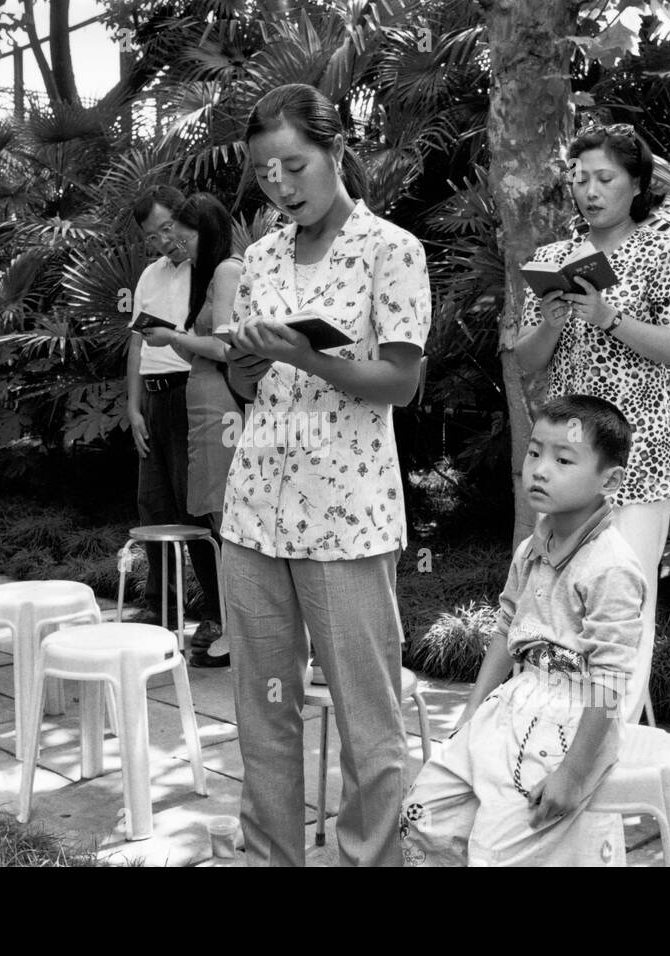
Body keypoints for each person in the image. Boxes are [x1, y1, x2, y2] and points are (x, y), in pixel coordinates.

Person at [223, 83, 430, 866]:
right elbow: (253, 387)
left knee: (366, 717)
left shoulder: (392, 250)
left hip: (347, 515)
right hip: (253, 515)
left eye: (294, 166)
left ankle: (372, 858)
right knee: (263, 709)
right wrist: (243, 363)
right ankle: (267, 856)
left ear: (337, 150)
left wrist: (303, 355)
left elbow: (400, 383)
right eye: (264, 173)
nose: (279, 185)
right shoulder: (262, 257)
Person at [400, 395, 645, 866]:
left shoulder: (611, 567)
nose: (540, 469)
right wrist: (470, 713)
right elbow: (506, 626)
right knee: (423, 814)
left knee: (499, 851)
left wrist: (573, 774)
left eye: (563, 459)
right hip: (511, 705)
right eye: (535, 453)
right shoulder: (534, 546)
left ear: (609, 480)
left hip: (570, 726)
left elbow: (610, 681)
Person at [514, 122, 670, 718]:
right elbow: (525, 360)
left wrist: (608, 315)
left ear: (637, 183)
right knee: (553, 596)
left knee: (625, 603)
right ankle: (547, 728)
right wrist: (550, 321)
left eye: (605, 179)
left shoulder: (666, 251)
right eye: (579, 179)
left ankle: (607, 745)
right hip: (564, 453)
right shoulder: (553, 257)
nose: (590, 191)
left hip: (634, 456)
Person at [138, 191, 241, 667]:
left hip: (213, 406)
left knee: (219, 517)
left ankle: (235, 625)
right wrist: (170, 340)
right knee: (207, 512)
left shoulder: (225, 270)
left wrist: (175, 336)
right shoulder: (199, 275)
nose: (171, 242)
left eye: (180, 233)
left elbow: (226, 349)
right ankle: (231, 623)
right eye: (161, 235)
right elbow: (198, 349)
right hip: (198, 404)